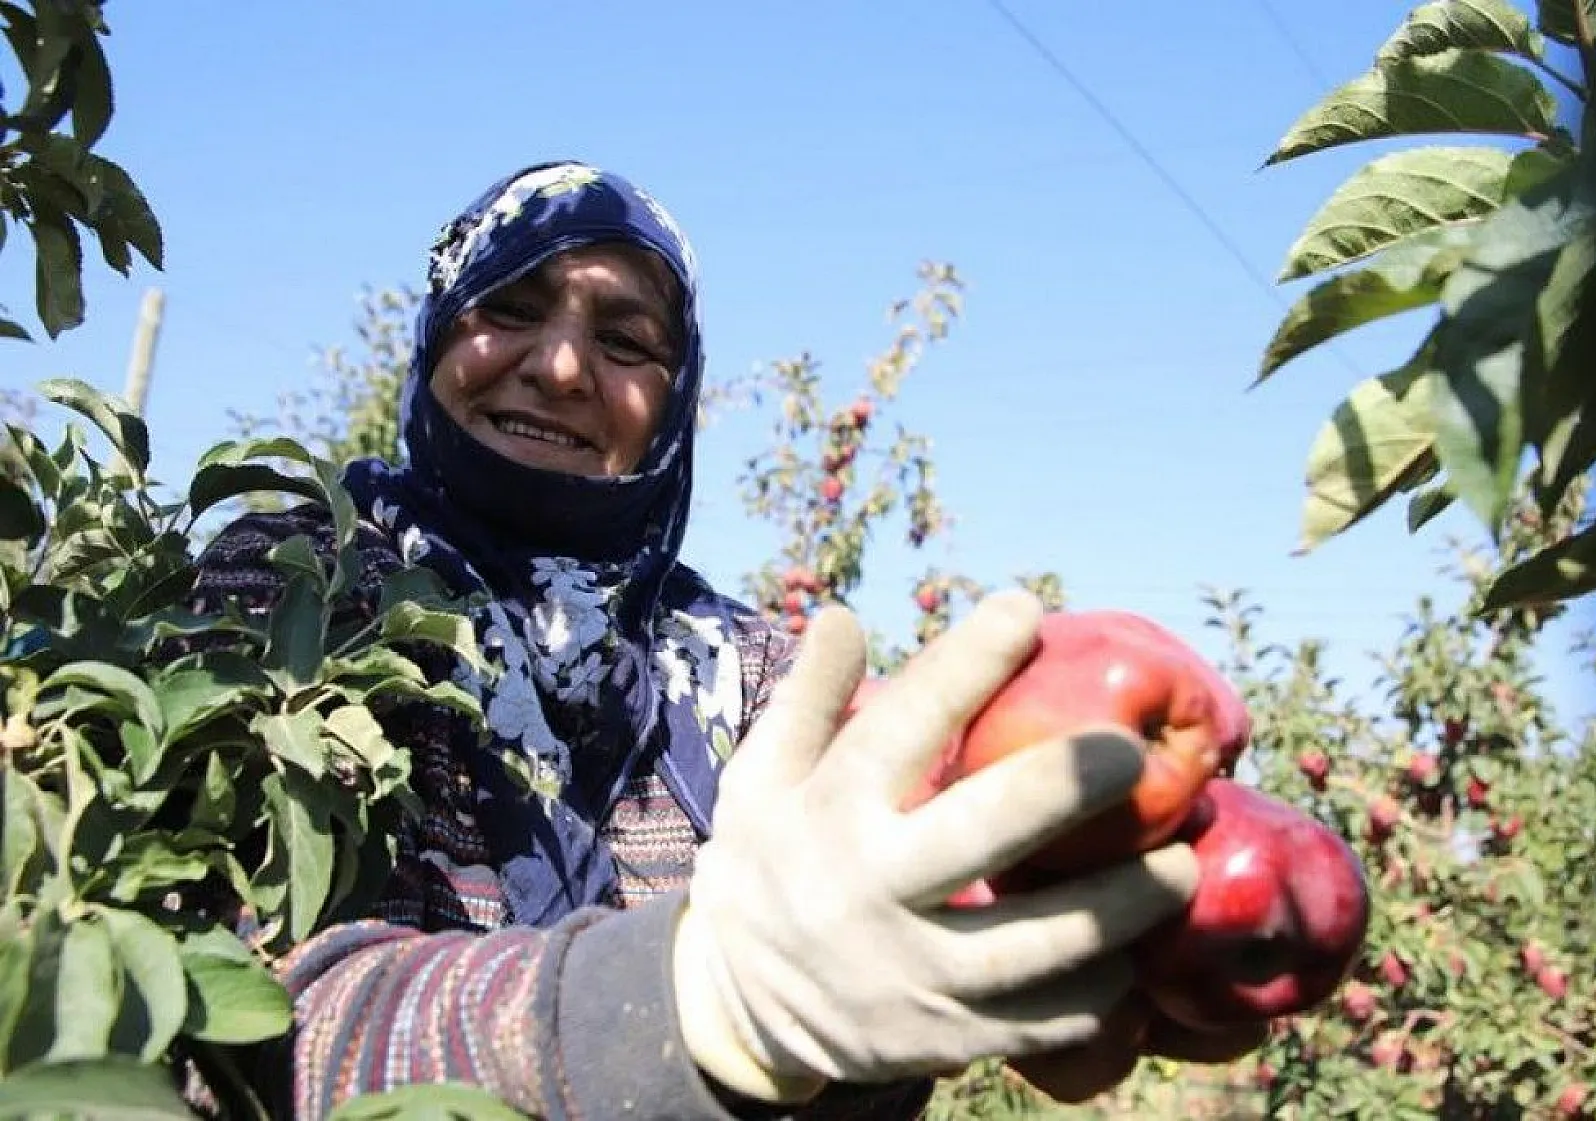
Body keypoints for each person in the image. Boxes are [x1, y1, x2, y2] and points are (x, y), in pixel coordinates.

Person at [183, 160, 1261, 1120]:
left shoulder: (758, 680)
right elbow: (212, 1016)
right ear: (436, 335)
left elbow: (838, 1034)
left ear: (674, 397)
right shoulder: (298, 587)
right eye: (507, 307)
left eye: (625, 341)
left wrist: (859, 1042)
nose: (561, 366)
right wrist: (686, 1000)